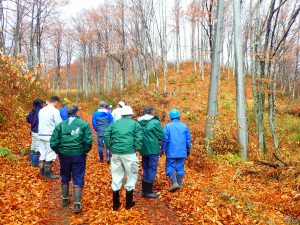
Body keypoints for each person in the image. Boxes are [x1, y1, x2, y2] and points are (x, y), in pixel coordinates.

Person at [50, 105, 93, 214]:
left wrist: (59, 151)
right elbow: (88, 141)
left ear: (67, 113)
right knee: (78, 176)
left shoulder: (61, 125)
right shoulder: (83, 124)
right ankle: (77, 204)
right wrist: (84, 150)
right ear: (77, 112)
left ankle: (65, 200)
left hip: (64, 155)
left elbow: (53, 142)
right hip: (79, 154)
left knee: (65, 175)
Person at [104, 106, 143, 211]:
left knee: (116, 175)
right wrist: (137, 148)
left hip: (116, 153)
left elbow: (106, 134)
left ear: (122, 114)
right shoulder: (135, 124)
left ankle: (116, 204)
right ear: (130, 114)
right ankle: (128, 204)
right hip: (129, 153)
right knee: (131, 175)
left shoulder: (115, 123)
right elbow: (139, 137)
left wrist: (110, 146)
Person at [162, 109, 191, 192]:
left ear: (171, 117)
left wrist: (163, 150)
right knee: (180, 168)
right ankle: (179, 185)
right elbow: (188, 141)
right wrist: (188, 150)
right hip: (182, 152)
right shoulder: (184, 126)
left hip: (171, 152)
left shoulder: (167, 126)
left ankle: (174, 183)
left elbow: (165, 140)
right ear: (179, 116)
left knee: (170, 167)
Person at [137, 106, 164, 198]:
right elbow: (161, 135)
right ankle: (148, 192)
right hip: (153, 149)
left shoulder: (139, 122)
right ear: (152, 112)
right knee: (152, 169)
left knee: (145, 168)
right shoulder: (155, 122)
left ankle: (144, 191)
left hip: (143, 149)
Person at [38, 96, 62, 179]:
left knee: (42, 153)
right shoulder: (55, 111)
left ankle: (41, 172)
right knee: (50, 154)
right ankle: (47, 174)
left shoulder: (42, 110)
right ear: (56, 102)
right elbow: (59, 124)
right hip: (49, 135)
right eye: (58, 103)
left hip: (40, 134)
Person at [26, 98, 44, 167]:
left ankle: (31, 160)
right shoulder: (42, 111)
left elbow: (28, 119)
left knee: (33, 144)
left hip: (33, 130)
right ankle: (34, 163)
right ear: (40, 104)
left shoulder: (32, 111)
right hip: (39, 131)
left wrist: (33, 122)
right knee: (37, 146)